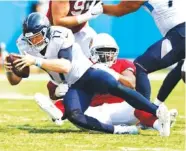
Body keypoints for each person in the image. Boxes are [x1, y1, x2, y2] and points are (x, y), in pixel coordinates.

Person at [4, 12, 170, 136]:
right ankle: (120, 130)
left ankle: (158, 111)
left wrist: (36, 61)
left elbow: (66, 65)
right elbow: (16, 80)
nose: (34, 42)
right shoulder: (23, 43)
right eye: (30, 39)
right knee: (75, 116)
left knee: (114, 85)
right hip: (73, 85)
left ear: (46, 32)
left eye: (37, 37)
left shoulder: (62, 34)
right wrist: (10, 70)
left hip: (87, 74)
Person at [39, 33, 178, 135]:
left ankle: (159, 124)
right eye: (102, 53)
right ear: (92, 53)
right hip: (93, 111)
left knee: (138, 103)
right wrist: (58, 90)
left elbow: (131, 83)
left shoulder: (122, 63)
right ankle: (57, 112)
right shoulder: (84, 64)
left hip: (121, 110)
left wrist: (112, 73)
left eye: (110, 53)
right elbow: (52, 87)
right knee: (70, 99)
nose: (107, 57)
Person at [99, 0, 185, 105]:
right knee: (181, 68)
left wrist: (95, 8)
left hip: (180, 34)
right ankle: (155, 106)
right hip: (180, 34)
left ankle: (146, 114)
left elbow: (119, 10)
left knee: (140, 67)